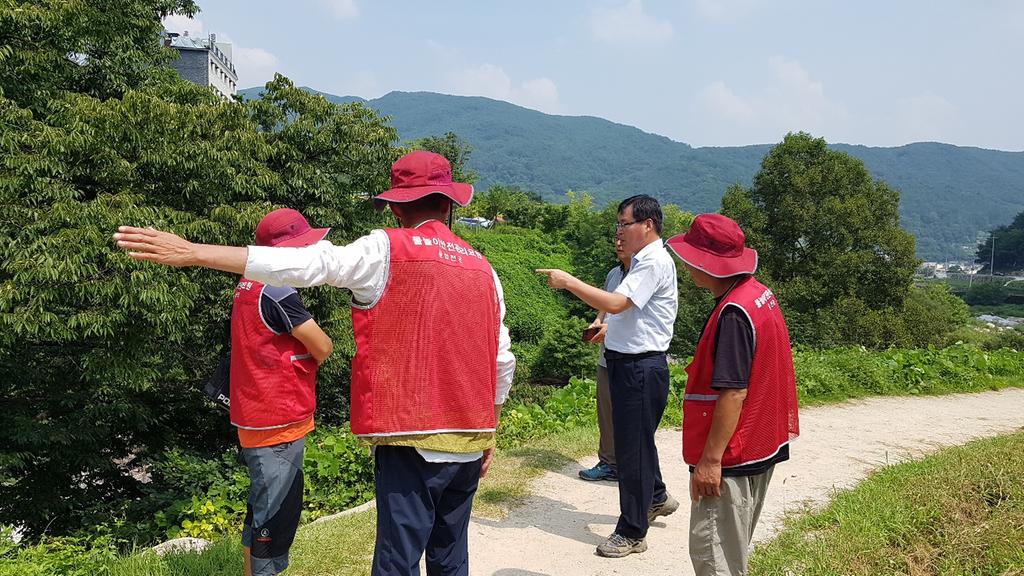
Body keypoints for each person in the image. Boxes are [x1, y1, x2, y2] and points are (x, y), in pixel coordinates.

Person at [114, 151, 516, 576]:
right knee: (450, 556)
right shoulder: (484, 269)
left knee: (398, 559)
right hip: (471, 436)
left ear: (396, 208)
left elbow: (314, 263)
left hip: (409, 437)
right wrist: (490, 426)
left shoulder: (385, 249)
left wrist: (195, 252)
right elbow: (502, 359)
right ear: (450, 205)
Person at [536, 194, 679, 558]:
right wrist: (607, 329)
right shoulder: (639, 263)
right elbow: (628, 315)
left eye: (624, 223)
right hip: (625, 362)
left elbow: (616, 303)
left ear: (647, 225)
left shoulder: (652, 261)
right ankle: (655, 496)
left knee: (631, 452)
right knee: (636, 443)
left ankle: (632, 532)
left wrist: (569, 281)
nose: (619, 231)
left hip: (640, 366)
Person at [664, 214, 800, 576]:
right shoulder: (757, 294)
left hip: (731, 457)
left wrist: (710, 461)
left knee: (716, 558)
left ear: (705, 263)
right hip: (758, 442)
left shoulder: (733, 314)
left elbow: (734, 392)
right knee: (731, 552)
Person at [237, 208, 335, 576]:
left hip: (255, 414)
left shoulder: (248, 282)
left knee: (261, 510)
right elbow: (322, 345)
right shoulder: (277, 291)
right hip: (278, 419)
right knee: (274, 521)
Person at [578, 238, 630, 482]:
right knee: (606, 412)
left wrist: (612, 328)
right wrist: (598, 321)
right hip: (607, 356)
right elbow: (605, 304)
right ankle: (609, 462)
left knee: (629, 414)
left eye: (624, 238)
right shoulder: (614, 274)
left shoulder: (643, 273)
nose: (618, 243)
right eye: (616, 239)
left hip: (631, 356)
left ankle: (630, 466)